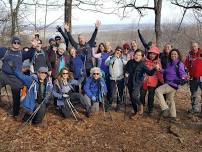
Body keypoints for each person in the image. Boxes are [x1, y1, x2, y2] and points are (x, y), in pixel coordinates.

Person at [0, 36, 35, 119]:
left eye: (18, 43)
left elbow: (30, 53)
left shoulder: (21, 53)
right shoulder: (5, 51)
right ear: (12, 43)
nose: (16, 44)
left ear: (20, 45)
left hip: (15, 77)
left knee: (16, 97)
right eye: (14, 42)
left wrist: (33, 46)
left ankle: (15, 113)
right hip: (4, 75)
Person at [125, 49, 160, 119]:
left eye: (139, 55)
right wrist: (126, 73)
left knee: (134, 96)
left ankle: (141, 106)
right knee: (132, 98)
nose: (137, 56)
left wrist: (155, 68)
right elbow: (126, 69)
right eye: (136, 54)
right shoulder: (130, 62)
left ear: (142, 57)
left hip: (137, 83)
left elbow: (150, 73)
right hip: (130, 82)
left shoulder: (142, 64)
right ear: (133, 55)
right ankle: (136, 112)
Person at [155, 49, 188, 122]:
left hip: (173, 84)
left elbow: (182, 73)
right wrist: (159, 69)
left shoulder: (179, 64)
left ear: (178, 55)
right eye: (172, 54)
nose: (173, 55)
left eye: (175, 54)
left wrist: (184, 77)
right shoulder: (169, 63)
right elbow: (166, 71)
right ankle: (173, 116)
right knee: (170, 99)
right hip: (168, 83)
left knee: (158, 91)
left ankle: (165, 108)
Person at [140, 46, 164, 115]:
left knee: (151, 97)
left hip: (153, 82)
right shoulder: (144, 60)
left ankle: (150, 109)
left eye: (154, 54)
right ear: (148, 53)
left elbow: (159, 73)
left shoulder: (158, 63)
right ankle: (141, 108)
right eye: (151, 53)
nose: (152, 55)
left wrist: (162, 81)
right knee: (142, 95)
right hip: (144, 81)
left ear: (156, 55)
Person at [105, 46, 127, 111]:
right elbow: (107, 63)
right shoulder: (110, 57)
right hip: (113, 79)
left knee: (120, 93)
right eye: (118, 50)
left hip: (121, 79)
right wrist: (114, 57)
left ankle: (118, 106)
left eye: (120, 51)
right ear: (115, 50)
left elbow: (128, 63)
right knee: (112, 93)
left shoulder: (122, 60)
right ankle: (109, 105)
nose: (119, 52)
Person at [184, 41, 202, 113]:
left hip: (201, 77)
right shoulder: (189, 55)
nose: (194, 48)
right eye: (192, 47)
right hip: (192, 78)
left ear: (198, 46)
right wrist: (186, 73)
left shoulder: (201, 53)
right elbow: (185, 65)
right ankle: (194, 108)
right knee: (193, 93)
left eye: (195, 46)